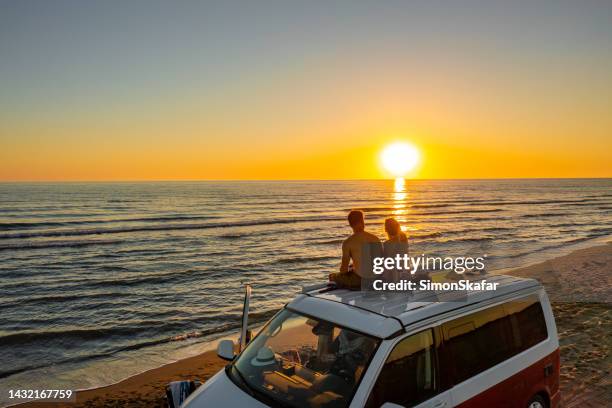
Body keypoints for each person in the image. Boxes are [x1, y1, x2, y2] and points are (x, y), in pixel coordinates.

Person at [329, 210, 382, 289]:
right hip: (377, 279)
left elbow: (343, 270)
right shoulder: (375, 238)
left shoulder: (348, 243)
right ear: (362, 222)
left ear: (350, 224)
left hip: (360, 281)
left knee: (332, 276)